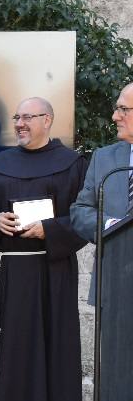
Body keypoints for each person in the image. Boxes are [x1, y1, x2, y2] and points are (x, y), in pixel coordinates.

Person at [0, 97, 87, 401]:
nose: (19, 123)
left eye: (27, 117)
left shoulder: (73, 164)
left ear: (47, 120)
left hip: (53, 270)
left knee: (53, 344)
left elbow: (85, 214)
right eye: (16, 117)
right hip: (9, 269)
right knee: (6, 343)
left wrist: (50, 230)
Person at [71, 82, 133, 284]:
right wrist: (110, 225)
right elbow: (80, 211)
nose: (115, 116)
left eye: (123, 109)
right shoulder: (103, 158)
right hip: (112, 283)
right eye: (117, 109)